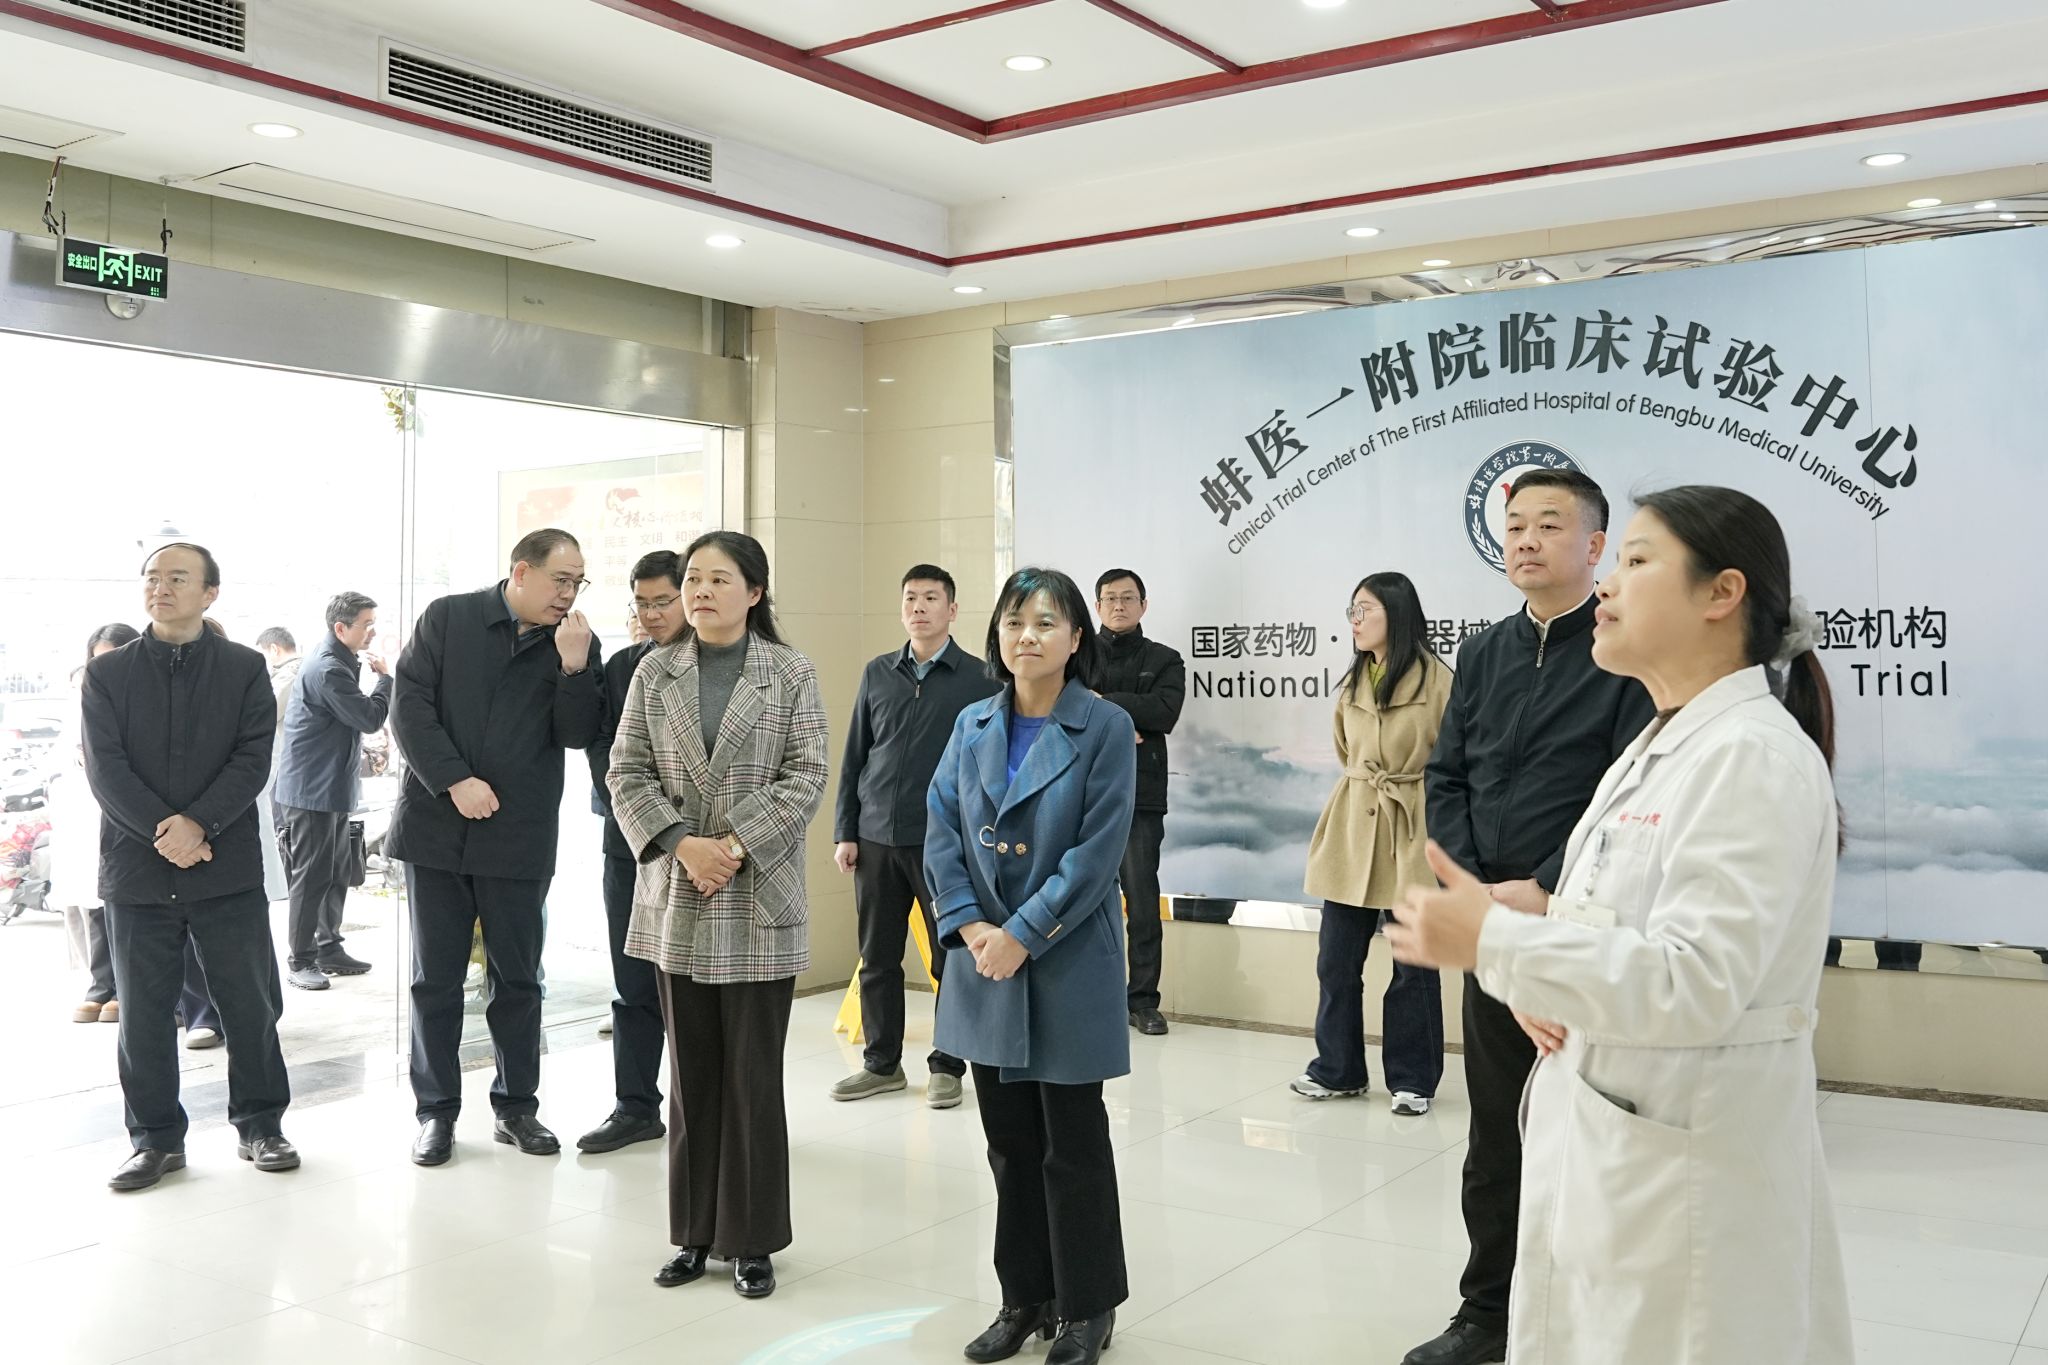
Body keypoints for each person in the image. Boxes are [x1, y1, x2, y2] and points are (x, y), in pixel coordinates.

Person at [1388, 485, 1853, 1364]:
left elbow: (1693, 980)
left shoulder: (1751, 757)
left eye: (1636, 561)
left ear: (1722, 593)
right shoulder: (1663, 747)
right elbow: (1609, 910)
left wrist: (1496, 941)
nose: (1608, 584)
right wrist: (1533, 947)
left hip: (1690, 1164)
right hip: (1618, 1135)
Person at [1404, 468, 1656, 1365]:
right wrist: (1474, 894)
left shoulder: (1623, 650)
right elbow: (1447, 775)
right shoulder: (1482, 652)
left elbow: (1625, 794)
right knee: (1495, 1130)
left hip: (1584, 924)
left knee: (1595, 1131)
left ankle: (1586, 1317)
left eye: (1550, 524)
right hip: (1491, 927)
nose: (1526, 540)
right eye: (1515, 525)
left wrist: (1546, 890)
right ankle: (1486, 1312)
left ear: (1596, 545)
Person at [607, 531, 827, 1300]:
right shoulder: (654, 670)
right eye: (693, 578)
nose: (700, 591)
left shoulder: (790, 671)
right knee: (691, 1075)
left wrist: (728, 846)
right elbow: (625, 770)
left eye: (718, 579)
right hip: (680, 893)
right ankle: (694, 1233)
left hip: (755, 894)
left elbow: (808, 775)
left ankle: (752, 1238)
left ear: (755, 592)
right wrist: (682, 844)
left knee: (750, 1080)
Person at [928, 567, 1137, 1365]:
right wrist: (970, 922)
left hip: (1065, 957)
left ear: (1076, 637)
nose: (1028, 635)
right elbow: (940, 826)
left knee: (1072, 1145)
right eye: (1015, 621)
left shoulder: (1105, 725)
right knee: (1009, 1143)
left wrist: (1021, 931)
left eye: (1047, 622)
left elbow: (1096, 852)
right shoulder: (973, 721)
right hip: (983, 961)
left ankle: (1088, 1307)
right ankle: (1025, 1296)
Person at [82, 544, 297, 1191]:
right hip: (137, 870)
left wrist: (199, 823)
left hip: (223, 864)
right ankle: (154, 1140)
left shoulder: (244, 668)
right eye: (152, 577)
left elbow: (252, 758)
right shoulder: (108, 674)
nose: (161, 587)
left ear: (210, 593)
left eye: (177, 577)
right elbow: (106, 768)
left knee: (247, 1003)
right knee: (143, 1015)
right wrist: (166, 832)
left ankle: (261, 1124)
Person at [388, 527, 602, 1166]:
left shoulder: (575, 641)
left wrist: (573, 667)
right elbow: (408, 707)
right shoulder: (449, 618)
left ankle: (517, 1107)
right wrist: (454, 780)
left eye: (578, 583)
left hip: (518, 833)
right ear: (521, 572)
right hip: (436, 828)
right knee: (435, 980)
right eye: (560, 580)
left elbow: (576, 734)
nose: (569, 594)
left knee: (518, 979)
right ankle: (436, 1114)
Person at [830, 563, 1001, 1108]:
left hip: (944, 844)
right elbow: (855, 757)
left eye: (931, 598)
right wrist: (845, 830)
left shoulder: (981, 680)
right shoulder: (878, 672)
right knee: (877, 956)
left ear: (952, 609)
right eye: (910, 598)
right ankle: (881, 1064)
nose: (919, 607)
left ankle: (948, 1064)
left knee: (950, 957)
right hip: (875, 838)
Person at [1292, 572, 1452, 1115]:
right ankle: (1337, 1069)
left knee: (1413, 966)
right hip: (1354, 825)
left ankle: (1413, 1079)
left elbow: (1451, 757)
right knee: (1336, 961)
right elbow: (1345, 748)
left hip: (1412, 827)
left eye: (1364, 610)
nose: (1354, 621)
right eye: (1352, 611)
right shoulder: (1355, 678)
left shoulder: (1439, 680)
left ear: (1397, 614)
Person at [576, 551, 690, 1155]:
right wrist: (639, 809)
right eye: (640, 604)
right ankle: (636, 1107)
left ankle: (705, 1112)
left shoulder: (723, 663)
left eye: (661, 602)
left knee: (694, 990)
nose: (649, 615)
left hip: (700, 848)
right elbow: (602, 747)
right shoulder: (623, 666)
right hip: (629, 843)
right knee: (633, 982)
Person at [273, 592, 391, 991]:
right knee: (311, 877)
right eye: (366, 624)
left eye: (373, 623)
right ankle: (301, 960)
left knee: (337, 871)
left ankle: (328, 947)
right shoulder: (328, 669)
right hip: (311, 790)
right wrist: (386, 681)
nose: (372, 631)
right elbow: (369, 718)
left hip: (331, 786)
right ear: (341, 628)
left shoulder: (341, 661)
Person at [1090, 568, 1184, 1036]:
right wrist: (1126, 718)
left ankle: (1143, 1001)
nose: (1119, 606)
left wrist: (1103, 706)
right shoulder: (1077, 657)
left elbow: (1164, 713)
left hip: (1140, 797)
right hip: (1084, 793)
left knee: (1142, 901)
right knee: (1080, 898)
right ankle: (1089, 995)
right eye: (1110, 598)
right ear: (1097, 606)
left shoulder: (1165, 659)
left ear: (1144, 605)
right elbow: (1062, 706)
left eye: (1128, 598)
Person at [53, 622, 141, 1024]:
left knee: (124, 900)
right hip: (86, 808)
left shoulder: (145, 697)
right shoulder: (83, 696)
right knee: (93, 895)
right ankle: (101, 983)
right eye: (96, 661)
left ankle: (125, 985)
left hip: (128, 810)